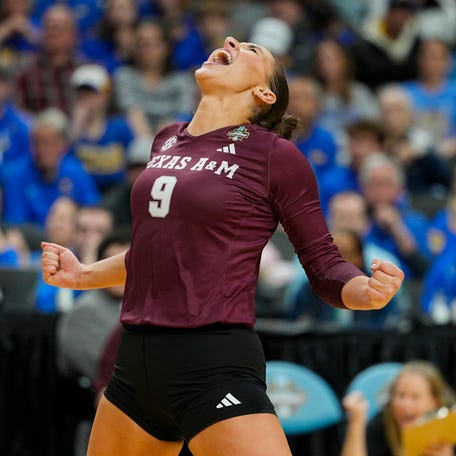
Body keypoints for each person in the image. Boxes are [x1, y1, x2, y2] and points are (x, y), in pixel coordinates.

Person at [41, 36, 404, 456]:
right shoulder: (166, 139)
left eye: (252, 50)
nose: (231, 41)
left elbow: (323, 265)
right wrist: (84, 274)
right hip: (136, 363)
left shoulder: (275, 156)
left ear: (264, 94)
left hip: (212, 359)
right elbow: (157, 252)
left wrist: (367, 293)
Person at [342, 360, 456, 456]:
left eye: (415, 397)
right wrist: (356, 423)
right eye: (400, 395)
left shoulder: (449, 426)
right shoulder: (381, 424)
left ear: (434, 401)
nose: (405, 405)